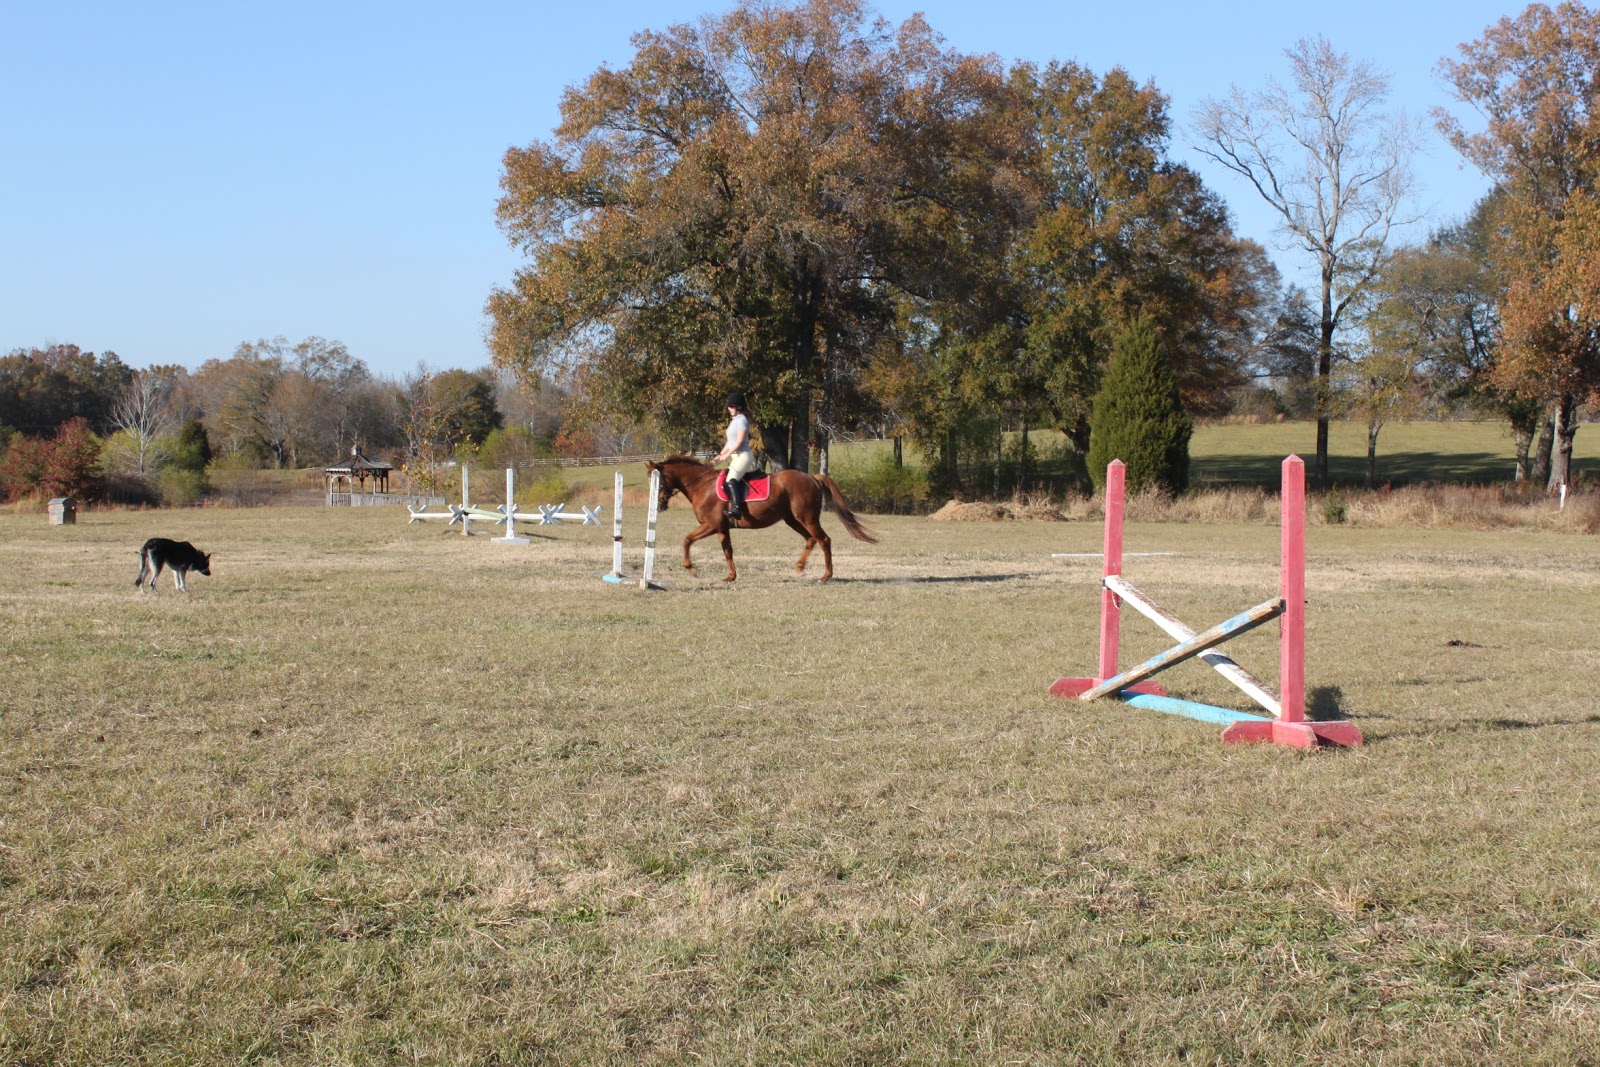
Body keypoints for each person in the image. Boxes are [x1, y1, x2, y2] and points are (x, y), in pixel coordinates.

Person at [711, 391, 755, 520]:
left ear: (739, 407)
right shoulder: (734, 421)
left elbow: (739, 442)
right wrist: (720, 455)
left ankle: (737, 510)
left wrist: (727, 455)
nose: (728, 408)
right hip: (736, 456)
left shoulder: (742, 421)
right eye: (728, 406)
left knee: (731, 479)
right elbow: (729, 442)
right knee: (725, 479)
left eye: (731, 406)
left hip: (743, 456)